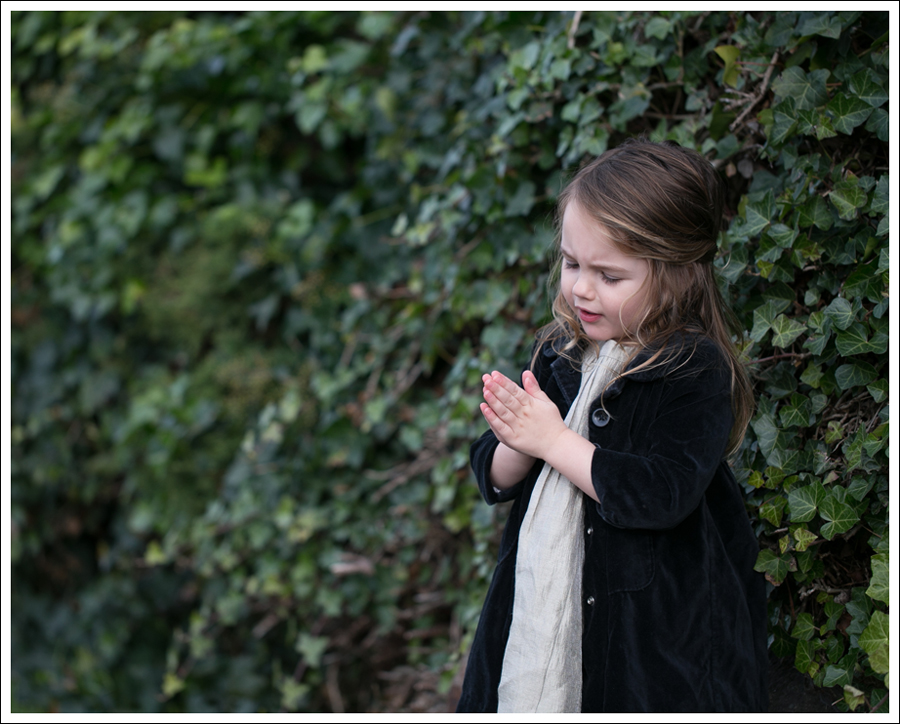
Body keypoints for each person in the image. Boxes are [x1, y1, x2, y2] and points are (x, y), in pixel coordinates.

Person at [456, 138, 769, 713]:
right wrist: (516, 443)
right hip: (537, 606)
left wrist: (553, 440)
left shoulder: (691, 368)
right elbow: (493, 475)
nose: (581, 288)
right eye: (572, 263)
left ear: (677, 276)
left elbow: (662, 494)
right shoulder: (561, 352)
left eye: (609, 275)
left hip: (653, 641)